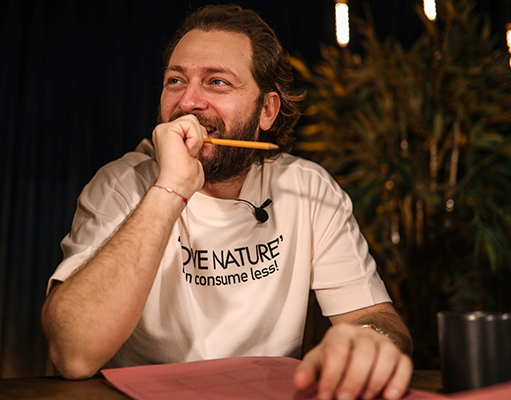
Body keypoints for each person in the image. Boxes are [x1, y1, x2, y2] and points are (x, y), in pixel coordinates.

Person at [41, 4, 413, 400]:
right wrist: (171, 188)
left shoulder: (308, 189)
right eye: (175, 80)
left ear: (267, 110)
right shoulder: (120, 185)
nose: (188, 102)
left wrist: (371, 340)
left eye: (216, 82)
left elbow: (374, 316)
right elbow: (73, 354)